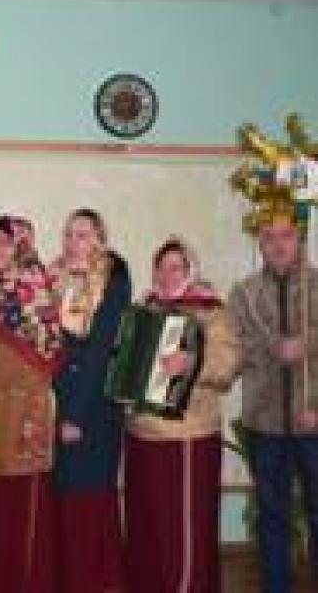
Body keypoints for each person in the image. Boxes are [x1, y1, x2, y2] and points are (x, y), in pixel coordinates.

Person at [124, 238, 240, 593]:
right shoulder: (143, 309)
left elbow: (228, 365)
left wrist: (191, 362)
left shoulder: (210, 311)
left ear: (190, 270)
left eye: (176, 267)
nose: (167, 274)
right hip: (140, 435)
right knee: (147, 527)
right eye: (161, 267)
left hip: (187, 438)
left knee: (183, 532)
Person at [0, 215, 64, 592]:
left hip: (27, 407)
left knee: (25, 495)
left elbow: (49, 349)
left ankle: (28, 581)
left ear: (22, 245)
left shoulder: (36, 287)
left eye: (6, 242)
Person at [229, 211, 318, 592]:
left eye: (286, 235)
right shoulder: (244, 293)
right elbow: (236, 347)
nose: (278, 244)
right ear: (260, 244)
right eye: (269, 237)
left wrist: (307, 344)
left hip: (312, 420)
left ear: (300, 239)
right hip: (264, 424)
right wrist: (274, 348)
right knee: (272, 516)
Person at [50, 208, 131, 593]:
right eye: (68, 234)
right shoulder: (58, 279)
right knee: (66, 495)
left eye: (82, 234)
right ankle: (72, 578)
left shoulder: (113, 277)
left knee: (90, 496)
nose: (73, 242)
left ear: (100, 239)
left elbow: (99, 352)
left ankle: (97, 579)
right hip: (60, 400)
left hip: (94, 407)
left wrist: (76, 415)